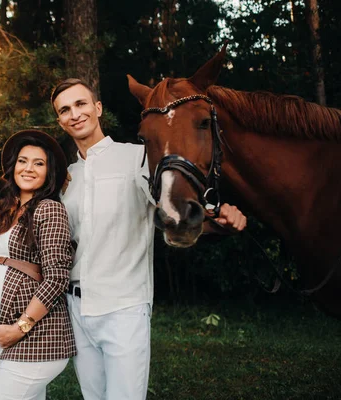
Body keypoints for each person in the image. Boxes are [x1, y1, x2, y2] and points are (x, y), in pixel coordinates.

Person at [50, 78, 247, 400]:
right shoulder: (65, 177)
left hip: (123, 307)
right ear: (59, 120)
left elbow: (173, 212)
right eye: (65, 110)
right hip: (74, 308)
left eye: (81, 104)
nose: (75, 114)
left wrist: (220, 218)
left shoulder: (138, 158)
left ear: (98, 108)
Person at [0, 129, 76, 399]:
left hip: (36, 338)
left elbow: (57, 277)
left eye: (39, 163)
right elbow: (7, 261)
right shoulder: (10, 209)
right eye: (23, 161)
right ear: (13, 167)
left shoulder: (49, 208)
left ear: (49, 172)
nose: (29, 168)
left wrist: (20, 327)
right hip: (10, 338)